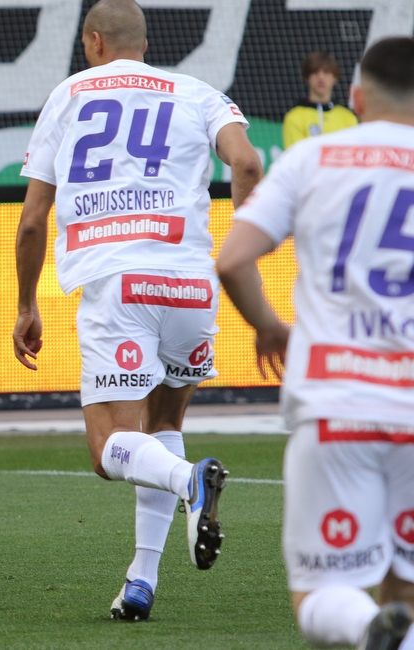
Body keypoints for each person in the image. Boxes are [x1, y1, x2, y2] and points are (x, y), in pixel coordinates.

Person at [13, 0, 263, 621]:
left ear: (94, 40)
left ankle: (189, 483)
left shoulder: (69, 93)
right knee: (161, 427)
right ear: (143, 43)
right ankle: (141, 582)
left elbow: (32, 221)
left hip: (116, 282)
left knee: (108, 450)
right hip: (191, 285)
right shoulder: (198, 91)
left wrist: (26, 302)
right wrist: (241, 254)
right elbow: (249, 162)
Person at [217, 36, 414, 650]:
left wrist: (269, 327)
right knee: (405, 589)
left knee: (320, 598)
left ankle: (363, 627)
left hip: (335, 403)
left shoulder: (314, 158)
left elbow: (231, 260)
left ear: (356, 97)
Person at [282, 50, 358, 149]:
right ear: (307, 77)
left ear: (334, 77)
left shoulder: (349, 118)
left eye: (326, 72)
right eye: (315, 72)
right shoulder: (294, 117)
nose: (321, 77)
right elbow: (296, 157)